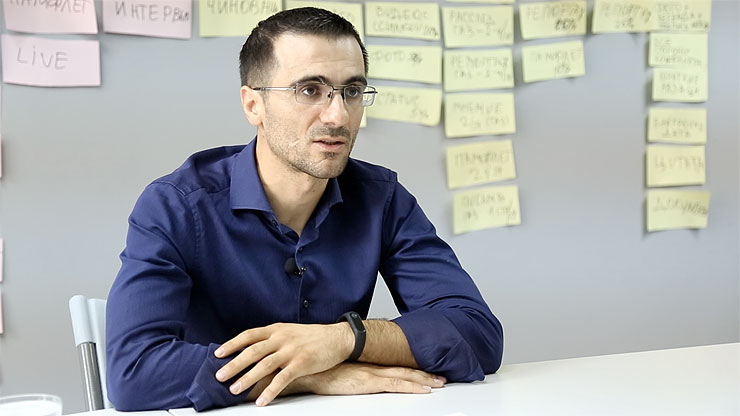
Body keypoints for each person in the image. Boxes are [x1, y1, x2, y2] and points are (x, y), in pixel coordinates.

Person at [106, 7, 503, 412]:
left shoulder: (381, 199)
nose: (338, 115)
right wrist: (308, 375)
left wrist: (345, 339)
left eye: (352, 91)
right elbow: (134, 371)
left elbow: (478, 333)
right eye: (310, 90)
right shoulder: (176, 205)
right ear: (253, 104)